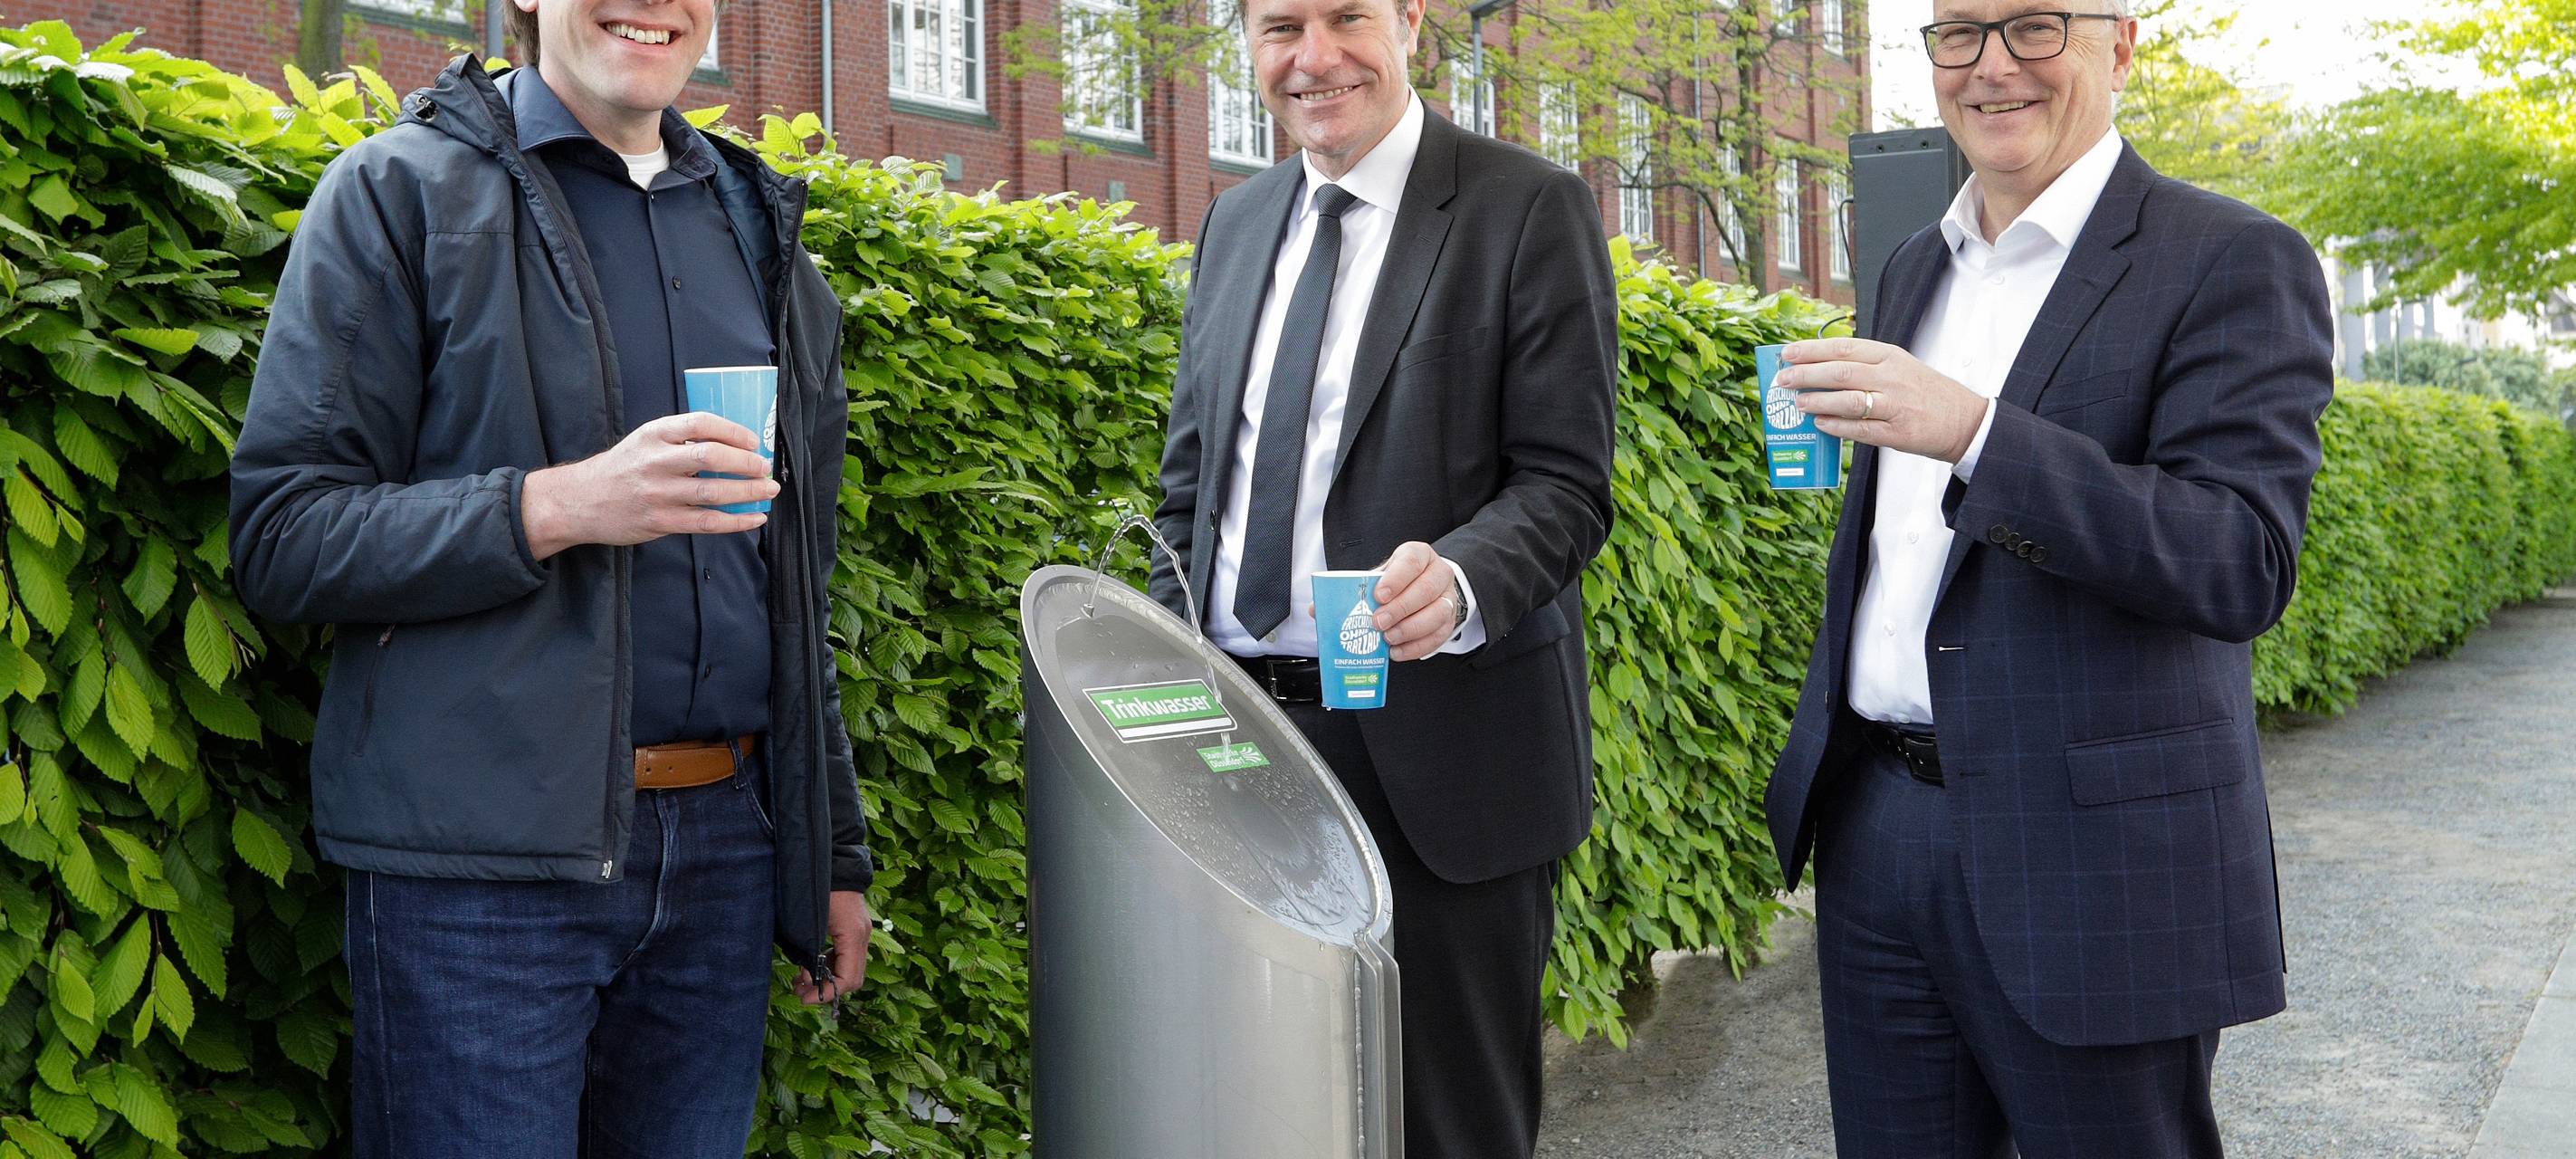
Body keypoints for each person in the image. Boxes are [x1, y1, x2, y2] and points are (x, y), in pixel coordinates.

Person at [226, 2, 873, 1154]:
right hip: (482, 873)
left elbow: (792, 579)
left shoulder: (756, 223)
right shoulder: (398, 192)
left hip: (725, 849)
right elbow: (286, 533)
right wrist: (556, 506)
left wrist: (829, 852)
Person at [1761, 3, 2333, 1155]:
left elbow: (2239, 557)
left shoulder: (2228, 256)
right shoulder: (1911, 264)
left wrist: (1978, 434)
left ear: (2116, 49)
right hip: (1876, 828)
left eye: (2030, 27)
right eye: (1956, 35)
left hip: (2097, 861)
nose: (1989, 69)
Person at [1149, 0, 1617, 1152]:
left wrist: (1458, 579)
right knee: (1258, 1116)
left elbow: (1565, 481)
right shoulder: (1232, 224)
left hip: (1440, 754)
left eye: (1347, 16)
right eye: (1279, 27)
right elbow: (1187, 493)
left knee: (1446, 1122)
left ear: (1410, 19)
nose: (1314, 58)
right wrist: (1158, 687)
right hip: (1237, 747)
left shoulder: (1526, 207)